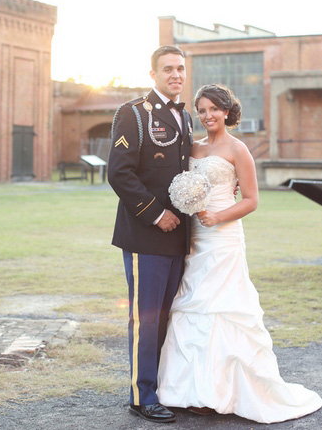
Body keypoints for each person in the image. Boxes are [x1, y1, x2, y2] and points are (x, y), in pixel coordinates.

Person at [156, 84, 322, 423]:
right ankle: (186, 389)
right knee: (192, 303)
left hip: (224, 236)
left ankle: (218, 391)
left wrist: (218, 216)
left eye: (214, 109)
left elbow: (251, 200)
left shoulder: (238, 149)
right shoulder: (193, 146)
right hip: (195, 236)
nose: (207, 115)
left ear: (227, 111)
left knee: (220, 306)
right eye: (202, 110)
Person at [107, 46, 194, 423]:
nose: (175, 75)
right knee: (147, 318)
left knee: (170, 316)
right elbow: (119, 173)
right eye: (168, 69)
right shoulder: (133, 114)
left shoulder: (186, 116)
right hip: (147, 234)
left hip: (179, 236)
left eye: (180, 69)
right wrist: (156, 214)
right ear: (153, 74)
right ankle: (141, 396)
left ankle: (163, 387)